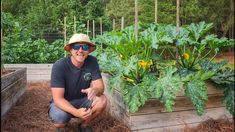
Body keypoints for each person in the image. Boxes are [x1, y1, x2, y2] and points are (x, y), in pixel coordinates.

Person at [48, 33, 107, 132]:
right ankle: (63, 124)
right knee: (60, 120)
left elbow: (100, 86)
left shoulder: (92, 62)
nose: (80, 50)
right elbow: (58, 99)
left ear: (88, 50)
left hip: (82, 100)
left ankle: (84, 124)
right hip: (63, 102)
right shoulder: (59, 66)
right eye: (76, 47)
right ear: (70, 49)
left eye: (84, 47)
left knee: (102, 100)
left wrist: (95, 89)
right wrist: (76, 112)